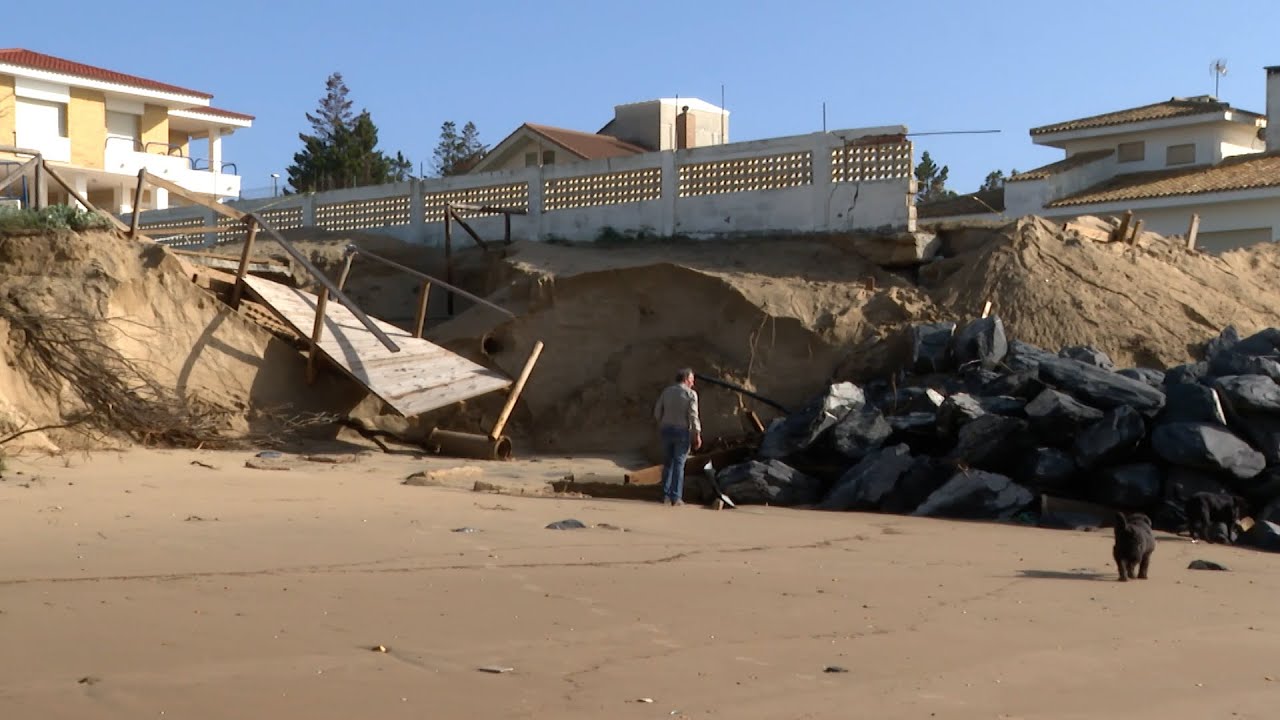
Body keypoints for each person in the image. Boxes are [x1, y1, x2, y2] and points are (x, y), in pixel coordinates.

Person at [653, 368, 702, 506]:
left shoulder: (667, 391)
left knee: (667, 463)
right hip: (681, 431)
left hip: (666, 429)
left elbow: (657, 411)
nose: (693, 383)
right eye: (692, 380)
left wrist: (661, 423)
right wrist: (697, 434)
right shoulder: (690, 394)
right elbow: (693, 415)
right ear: (686, 379)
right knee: (679, 464)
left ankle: (665, 496)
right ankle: (676, 497)